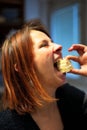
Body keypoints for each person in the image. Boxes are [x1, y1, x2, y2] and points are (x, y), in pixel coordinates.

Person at [0, 19, 87, 130]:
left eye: (52, 41)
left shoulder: (72, 98)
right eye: (44, 45)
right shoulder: (7, 125)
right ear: (23, 67)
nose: (59, 46)